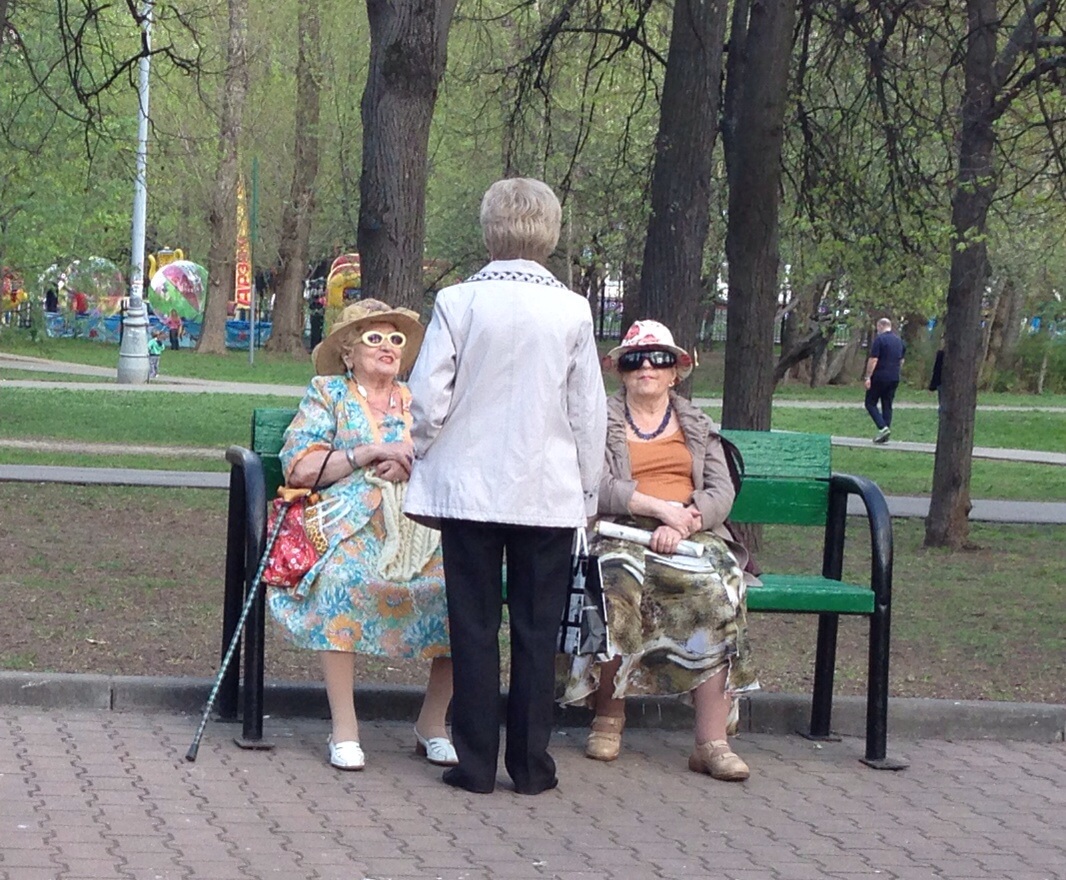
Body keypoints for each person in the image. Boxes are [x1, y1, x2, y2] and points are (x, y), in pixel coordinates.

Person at [404, 177, 607, 795]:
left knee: (472, 625)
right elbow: (588, 411)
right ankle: (531, 764)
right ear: (550, 233)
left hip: (468, 488)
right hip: (545, 490)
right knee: (536, 631)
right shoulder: (572, 310)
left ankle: (474, 764)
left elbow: (428, 398)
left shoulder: (458, 301)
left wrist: (421, 447)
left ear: (489, 229)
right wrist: (587, 491)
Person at [558, 319, 760, 781]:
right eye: (634, 360)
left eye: (659, 359)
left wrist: (686, 519)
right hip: (618, 528)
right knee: (615, 580)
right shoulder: (601, 420)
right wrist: (657, 509)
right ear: (621, 371)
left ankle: (711, 742)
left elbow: (721, 489)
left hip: (690, 531)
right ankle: (608, 718)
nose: (646, 366)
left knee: (720, 590)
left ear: (675, 372)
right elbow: (595, 484)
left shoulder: (696, 424)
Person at [268, 299, 456, 771]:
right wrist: (369, 452)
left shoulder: (420, 400)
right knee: (339, 581)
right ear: (348, 353)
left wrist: (409, 461)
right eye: (374, 338)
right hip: (349, 520)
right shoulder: (328, 393)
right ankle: (345, 729)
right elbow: (301, 467)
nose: (388, 346)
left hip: (419, 522)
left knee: (465, 591)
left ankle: (433, 723)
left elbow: (450, 456)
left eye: (396, 338)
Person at [863, 317, 906, 443]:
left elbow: (874, 360)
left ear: (880, 326)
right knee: (887, 404)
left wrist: (868, 376)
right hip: (894, 377)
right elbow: (901, 361)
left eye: (877, 328)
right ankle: (885, 432)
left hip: (879, 376)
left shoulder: (880, 340)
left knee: (870, 403)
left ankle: (883, 427)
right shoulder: (899, 341)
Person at [928, 345, 945, 415]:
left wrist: (932, 387)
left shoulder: (941, 354)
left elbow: (937, 370)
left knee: (943, 406)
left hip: (942, 383)